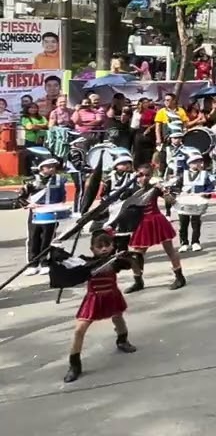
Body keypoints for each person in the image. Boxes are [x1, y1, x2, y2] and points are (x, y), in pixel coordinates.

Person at [64, 231, 137, 383]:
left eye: (107, 245)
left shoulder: (115, 261)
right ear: (92, 249)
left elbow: (131, 264)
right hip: (94, 298)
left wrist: (127, 256)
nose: (104, 249)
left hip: (111, 294)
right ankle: (75, 365)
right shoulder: (85, 262)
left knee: (118, 318)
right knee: (79, 330)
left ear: (112, 246)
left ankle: (122, 340)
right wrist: (55, 253)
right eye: (99, 246)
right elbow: (67, 263)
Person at [125, 164, 186, 292]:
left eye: (147, 175)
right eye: (141, 175)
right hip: (141, 223)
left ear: (151, 176)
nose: (144, 178)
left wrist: (164, 190)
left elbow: (172, 201)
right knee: (137, 255)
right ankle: (138, 281)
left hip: (156, 220)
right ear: (136, 175)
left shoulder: (155, 188)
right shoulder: (132, 190)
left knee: (170, 250)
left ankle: (180, 277)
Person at [22, 157, 68, 276]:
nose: (52, 168)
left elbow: (62, 196)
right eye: (49, 166)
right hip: (36, 213)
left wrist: (60, 207)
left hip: (52, 213)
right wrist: (29, 204)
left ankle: (45, 263)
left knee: (47, 239)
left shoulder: (60, 179)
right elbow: (21, 197)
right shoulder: (32, 180)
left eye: (53, 166)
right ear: (42, 167)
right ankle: (33, 264)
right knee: (33, 238)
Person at [178, 153, 216, 251]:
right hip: (184, 201)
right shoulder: (183, 174)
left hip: (197, 200)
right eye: (195, 162)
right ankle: (184, 242)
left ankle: (195, 242)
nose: (198, 164)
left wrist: (206, 193)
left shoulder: (205, 174)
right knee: (183, 222)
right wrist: (180, 192)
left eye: (199, 162)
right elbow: (175, 186)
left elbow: (211, 186)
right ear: (189, 164)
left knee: (196, 222)